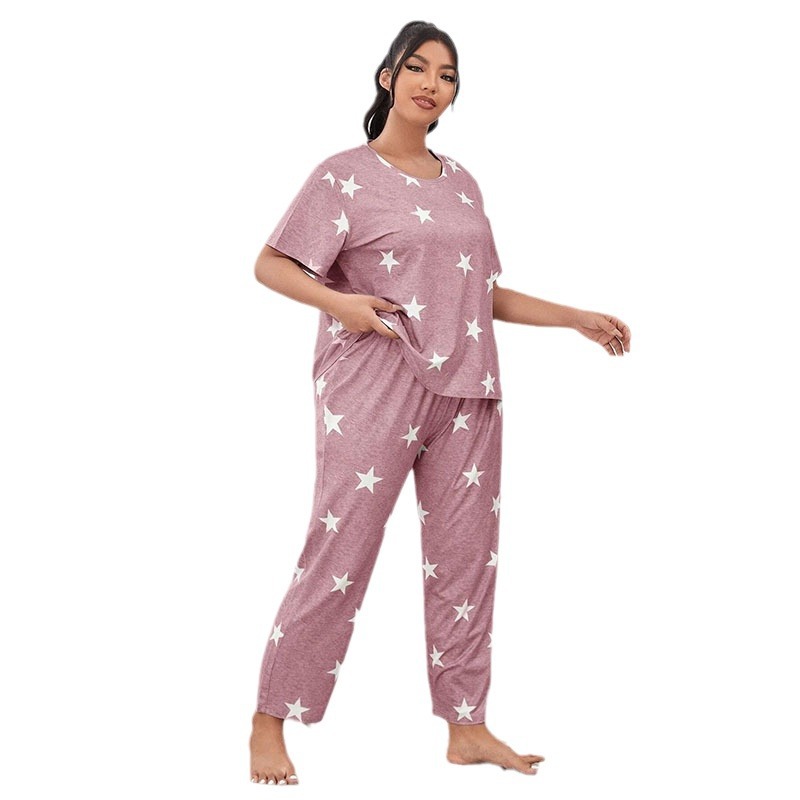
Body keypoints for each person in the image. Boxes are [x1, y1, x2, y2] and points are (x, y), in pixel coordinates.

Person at [249, 20, 631, 787]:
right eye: (418, 67)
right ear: (387, 77)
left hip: (470, 390)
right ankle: (270, 721)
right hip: (374, 385)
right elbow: (270, 264)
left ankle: (467, 727)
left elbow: (479, 294)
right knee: (341, 552)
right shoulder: (343, 176)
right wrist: (341, 304)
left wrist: (575, 318)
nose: (432, 83)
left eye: (447, 75)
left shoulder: (462, 182)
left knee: (467, 563)